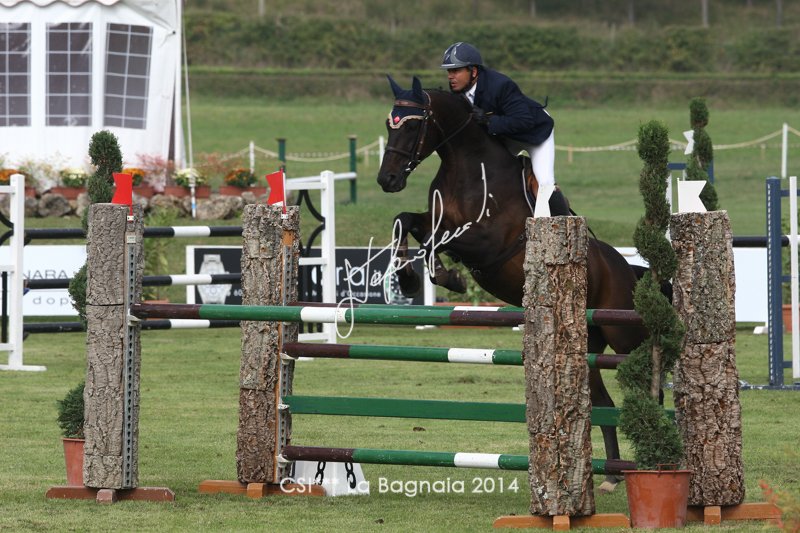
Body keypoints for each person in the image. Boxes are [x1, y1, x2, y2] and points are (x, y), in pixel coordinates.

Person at [440, 41, 569, 216]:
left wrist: (488, 120)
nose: (450, 76)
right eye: (449, 71)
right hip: (506, 135)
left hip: (535, 133)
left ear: (474, 71)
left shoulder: (500, 85)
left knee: (545, 182)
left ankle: (566, 223)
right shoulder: (458, 93)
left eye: (456, 71)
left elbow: (523, 121)